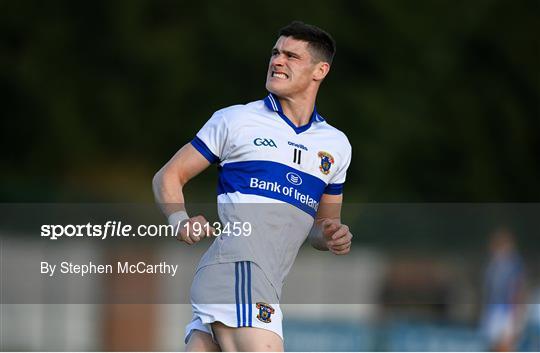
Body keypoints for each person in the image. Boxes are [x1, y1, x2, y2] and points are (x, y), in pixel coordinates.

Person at [153, 21, 353, 352]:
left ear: (320, 70)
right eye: (275, 53)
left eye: (291, 56)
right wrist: (180, 221)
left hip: (260, 285)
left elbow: (321, 228)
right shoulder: (235, 121)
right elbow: (169, 176)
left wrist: (332, 235)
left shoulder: (336, 145)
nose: (277, 61)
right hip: (238, 273)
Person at [480, 227, 527, 352]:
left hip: (507, 309)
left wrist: (517, 314)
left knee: (505, 345)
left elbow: (518, 289)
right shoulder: (492, 264)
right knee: (493, 345)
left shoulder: (514, 264)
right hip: (493, 308)